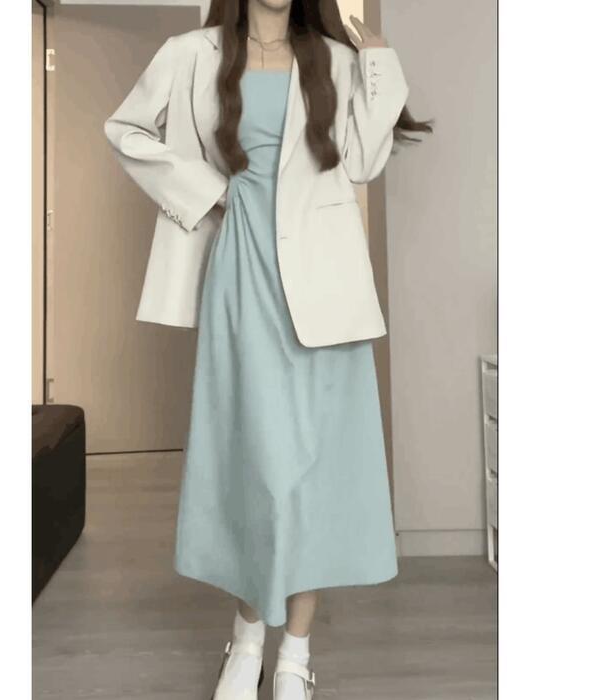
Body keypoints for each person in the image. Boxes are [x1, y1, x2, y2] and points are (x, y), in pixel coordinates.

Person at [104, 1, 431, 698]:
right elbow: (125, 128)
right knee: (255, 463)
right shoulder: (192, 54)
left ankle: (295, 657)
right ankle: (248, 639)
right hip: (241, 275)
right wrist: (208, 192)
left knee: (311, 472)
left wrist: (378, 61)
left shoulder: (336, 61)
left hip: (326, 285)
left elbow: (364, 161)